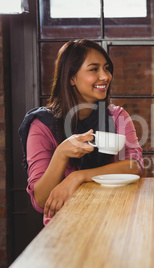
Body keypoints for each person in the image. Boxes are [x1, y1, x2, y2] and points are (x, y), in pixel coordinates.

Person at [19, 39, 144, 225]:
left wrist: (78, 177)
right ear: (71, 78)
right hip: (64, 227)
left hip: (116, 219)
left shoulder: (117, 116)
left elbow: (135, 166)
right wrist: (61, 154)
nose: (105, 76)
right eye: (94, 69)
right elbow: (41, 201)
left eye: (107, 68)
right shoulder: (42, 125)